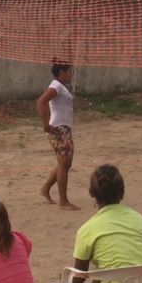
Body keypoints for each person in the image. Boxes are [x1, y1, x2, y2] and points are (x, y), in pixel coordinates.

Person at [72, 164, 142, 283]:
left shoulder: (87, 230)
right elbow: (134, 258)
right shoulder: (141, 221)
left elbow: (78, 280)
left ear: (92, 193)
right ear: (122, 193)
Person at [37, 58, 80, 210]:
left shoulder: (61, 86)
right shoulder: (56, 86)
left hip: (63, 128)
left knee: (65, 164)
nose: (71, 75)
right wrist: (46, 123)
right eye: (69, 72)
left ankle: (45, 189)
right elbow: (41, 101)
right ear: (61, 72)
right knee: (64, 164)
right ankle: (63, 201)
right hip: (58, 129)